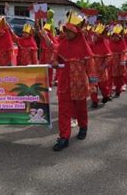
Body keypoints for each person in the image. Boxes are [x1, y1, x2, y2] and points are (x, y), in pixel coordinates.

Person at [51, 12, 97, 151]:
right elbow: (56, 57)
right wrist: (53, 61)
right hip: (64, 83)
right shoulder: (63, 45)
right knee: (64, 110)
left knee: (80, 108)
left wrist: (93, 84)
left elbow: (91, 68)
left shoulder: (84, 48)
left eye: (70, 31)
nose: (68, 34)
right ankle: (64, 137)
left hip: (79, 84)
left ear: (77, 32)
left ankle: (83, 127)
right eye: (66, 31)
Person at [88, 23, 112, 108]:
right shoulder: (90, 45)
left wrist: (104, 65)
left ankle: (106, 96)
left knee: (103, 86)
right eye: (93, 36)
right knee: (93, 86)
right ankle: (94, 101)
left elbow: (109, 57)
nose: (93, 38)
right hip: (93, 71)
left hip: (102, 71)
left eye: (95, 36)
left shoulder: (104, 45)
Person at [108, 24, 127, 98]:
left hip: (119, 64)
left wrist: (123, 60)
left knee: (118, 78)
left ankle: (118, 90)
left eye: (117, 36)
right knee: (109, 77)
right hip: (110, 63)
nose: (115, 38)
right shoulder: (109, 42)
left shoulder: (122, 43)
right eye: (113, 36)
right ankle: (108, 92)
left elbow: (124, 52)